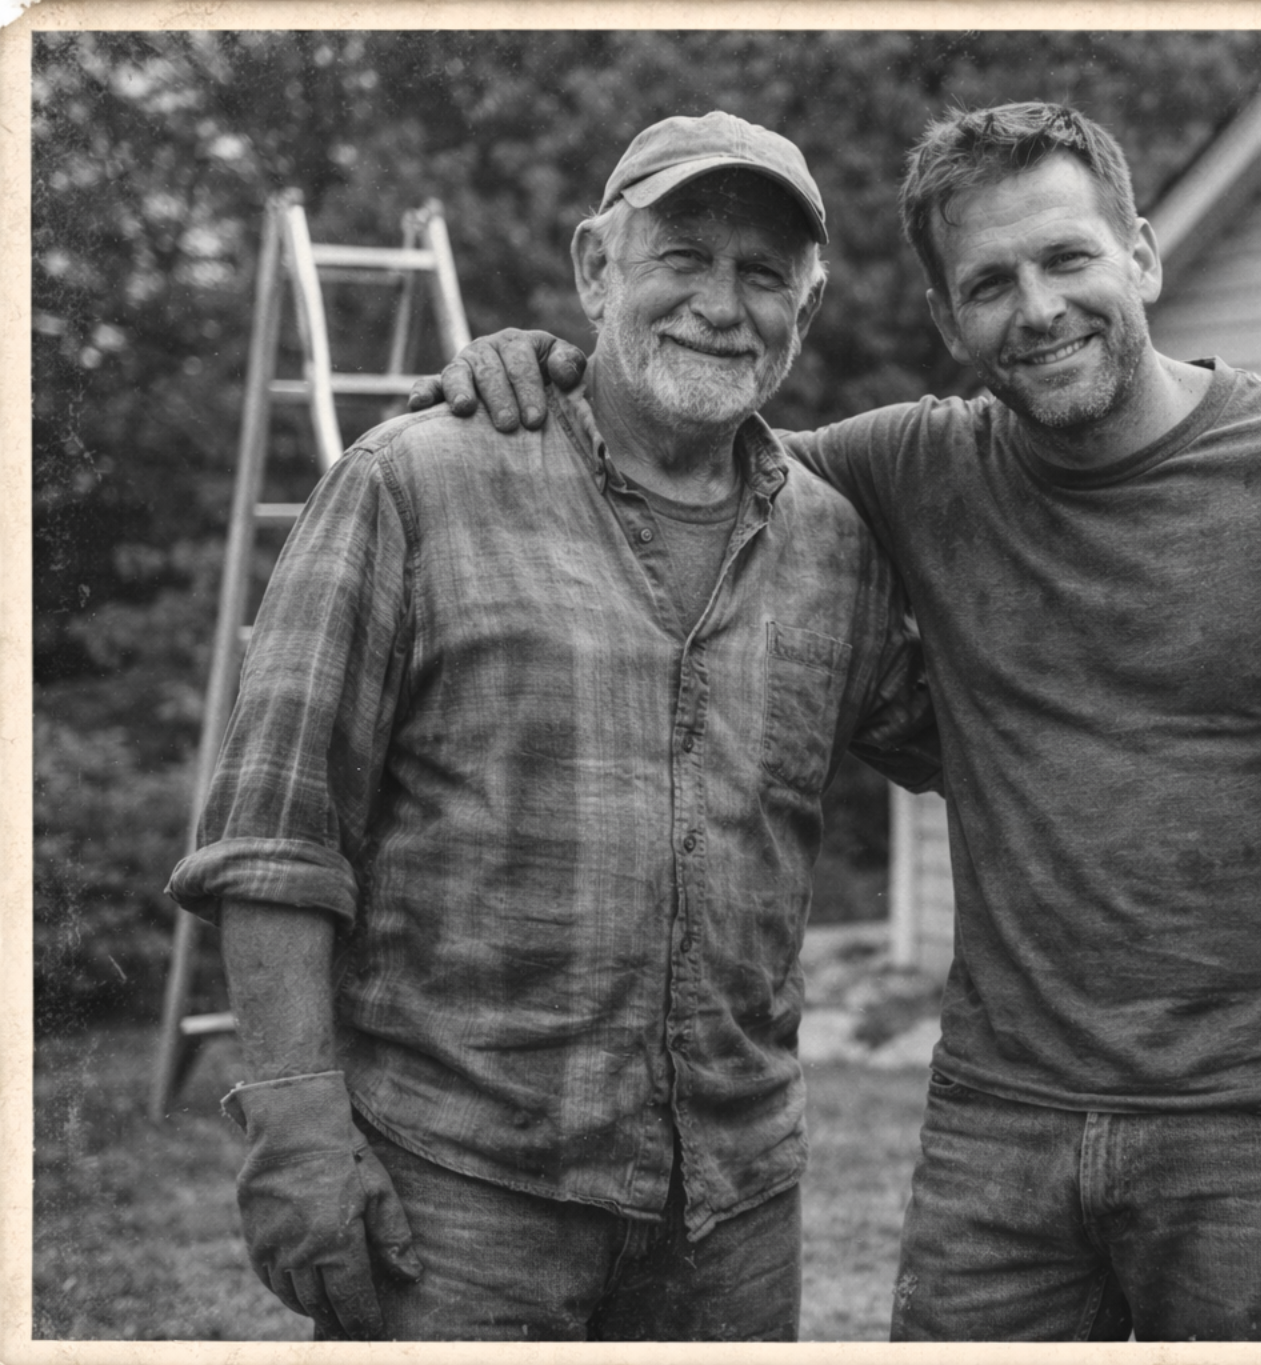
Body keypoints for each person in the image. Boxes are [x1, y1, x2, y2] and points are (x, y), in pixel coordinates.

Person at [413, 102, 1261, 1342]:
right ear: (948, 316)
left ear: (1145, 255)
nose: (1038, 307)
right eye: (990, 283)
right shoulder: (904, 468)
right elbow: (687, 446)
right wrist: (545, 372)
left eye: (1067, 260)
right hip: (1000, 1118)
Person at [167, 112, 937, 1342]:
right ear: (595, 268)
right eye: (681, 257)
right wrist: (297, 1126)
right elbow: (273, 837)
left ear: (809, 302)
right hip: (458, 1199)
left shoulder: (835, 548)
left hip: (732, 1211)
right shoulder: (415, 480)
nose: (720, 305)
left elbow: (983, 735)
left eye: (761, 275)